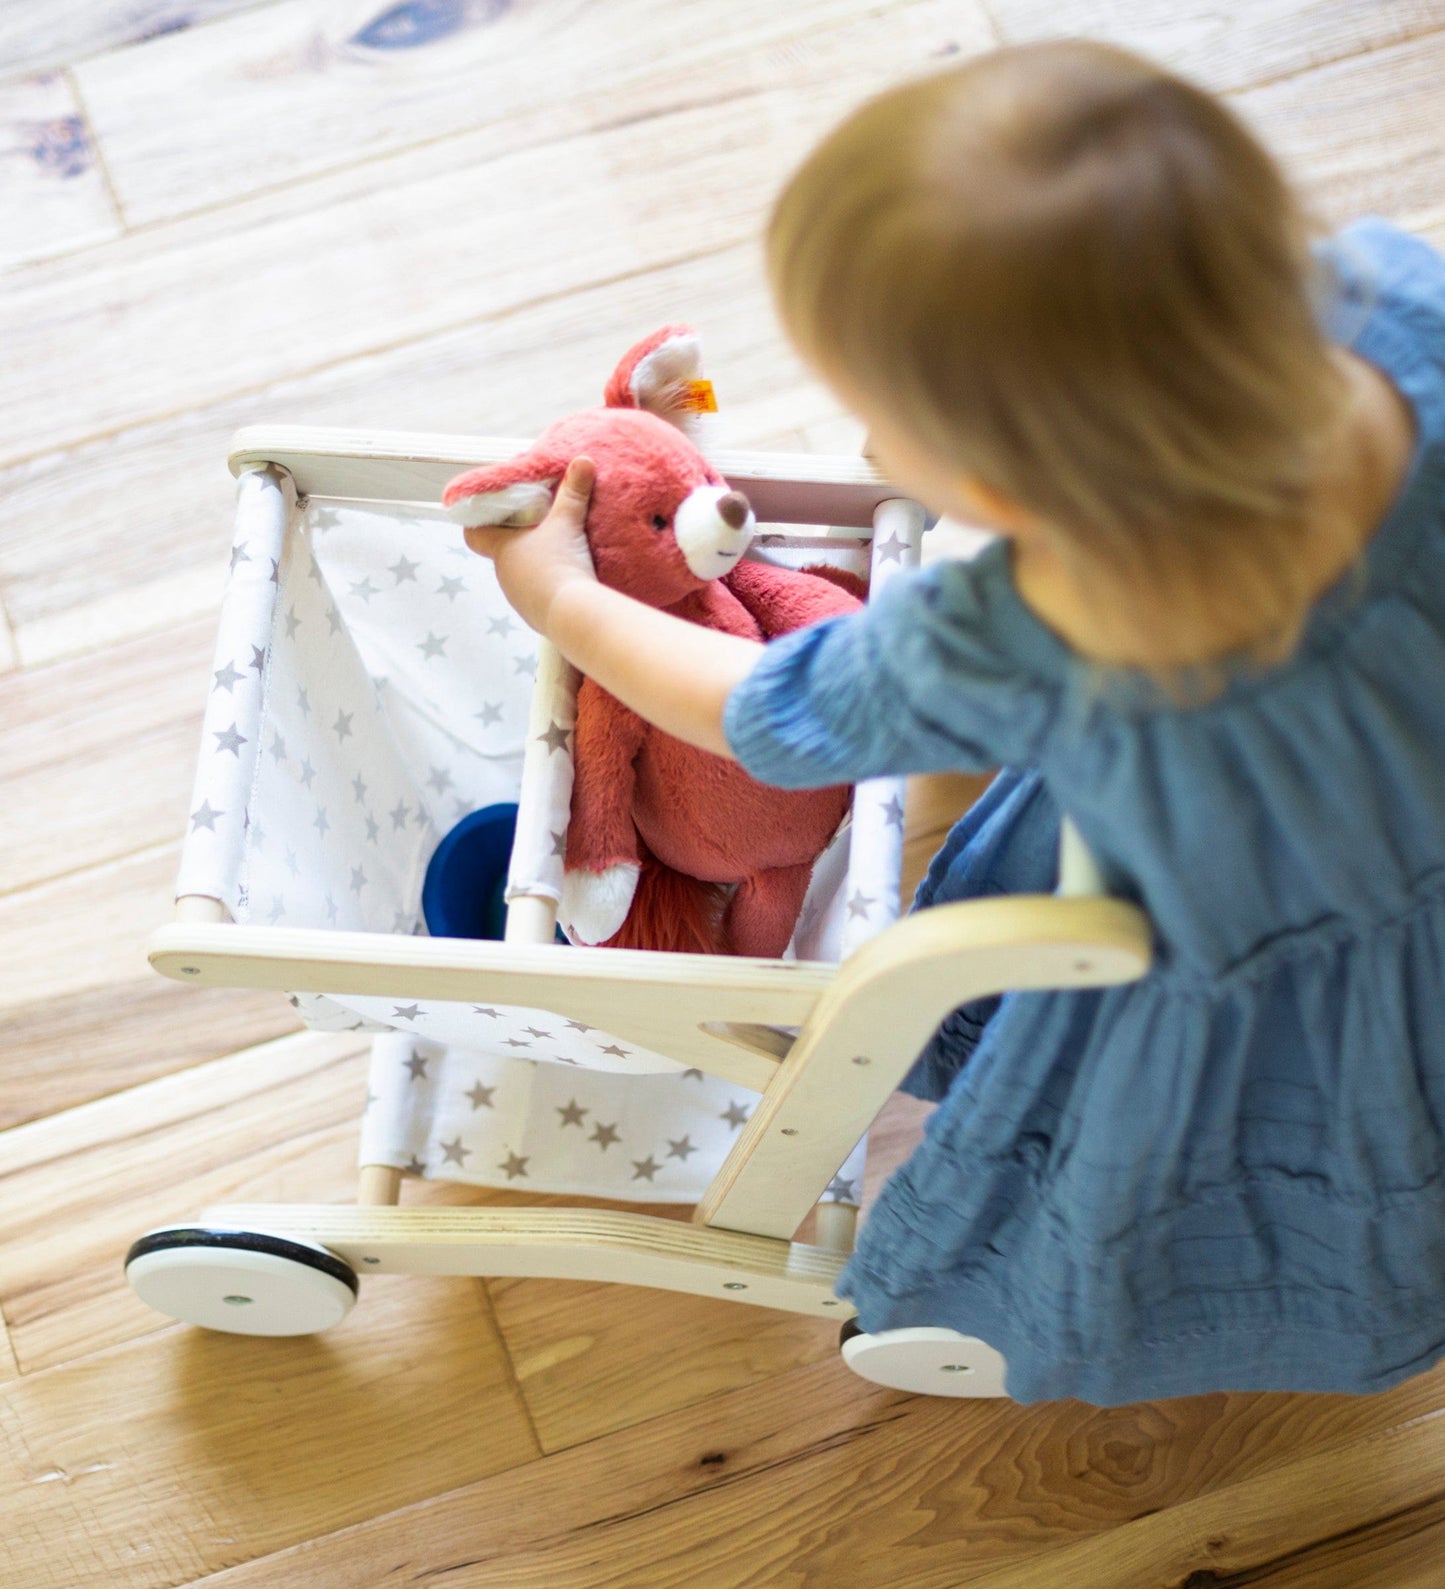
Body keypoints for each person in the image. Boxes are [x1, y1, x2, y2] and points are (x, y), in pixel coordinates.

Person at [464, 40, 1445, 1404]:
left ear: (1005, 480)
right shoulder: (1402, 303)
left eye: (877, 419)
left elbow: (761, 714)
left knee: (1203, 1133)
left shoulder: (1044, 623)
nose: (865, 449)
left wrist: (562, 601)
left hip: (1258, 952)